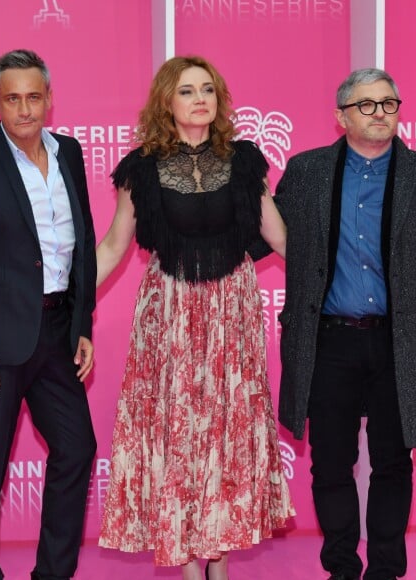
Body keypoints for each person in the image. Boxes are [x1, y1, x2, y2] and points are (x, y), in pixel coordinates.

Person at [96, 55, 295, 580]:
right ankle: (187, 566)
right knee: (180, 434)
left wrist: (337, 277)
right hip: (171, 315)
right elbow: (115, 246)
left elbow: (279, 237)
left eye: (207, 89)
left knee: (226, 433)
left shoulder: (246, 160)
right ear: (167, 101)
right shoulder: (141, 167)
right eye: (186, 91)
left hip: (232, 313)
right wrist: (59, 299)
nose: (199, 99)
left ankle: (220, 562)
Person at [0, 49, 97, 580]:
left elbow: (83, 246)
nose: (24, 108)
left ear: (49, 98)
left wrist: (83, 325)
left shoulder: (70, 153)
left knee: (78, 448)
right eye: (13, 98)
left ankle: (52, 573)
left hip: (57, 333)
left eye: (34, 96)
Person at [275, 68, 416, 580]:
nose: (380, 112)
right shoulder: (308, 171)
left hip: (399, 342)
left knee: (393, 463)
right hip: (327, 341)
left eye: (389, 103)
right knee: (330, 465)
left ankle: (385, 570)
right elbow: (261, 238)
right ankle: (341, 567)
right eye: (367, 104)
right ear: (341, 116)